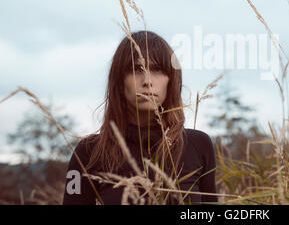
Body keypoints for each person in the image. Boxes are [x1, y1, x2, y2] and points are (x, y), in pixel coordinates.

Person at [62, 31, 217, 205]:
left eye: (157, 69)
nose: (147, 81)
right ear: (120, 83)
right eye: (136, 69)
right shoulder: (90, 152)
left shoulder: (197, 145)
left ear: (171, 80)